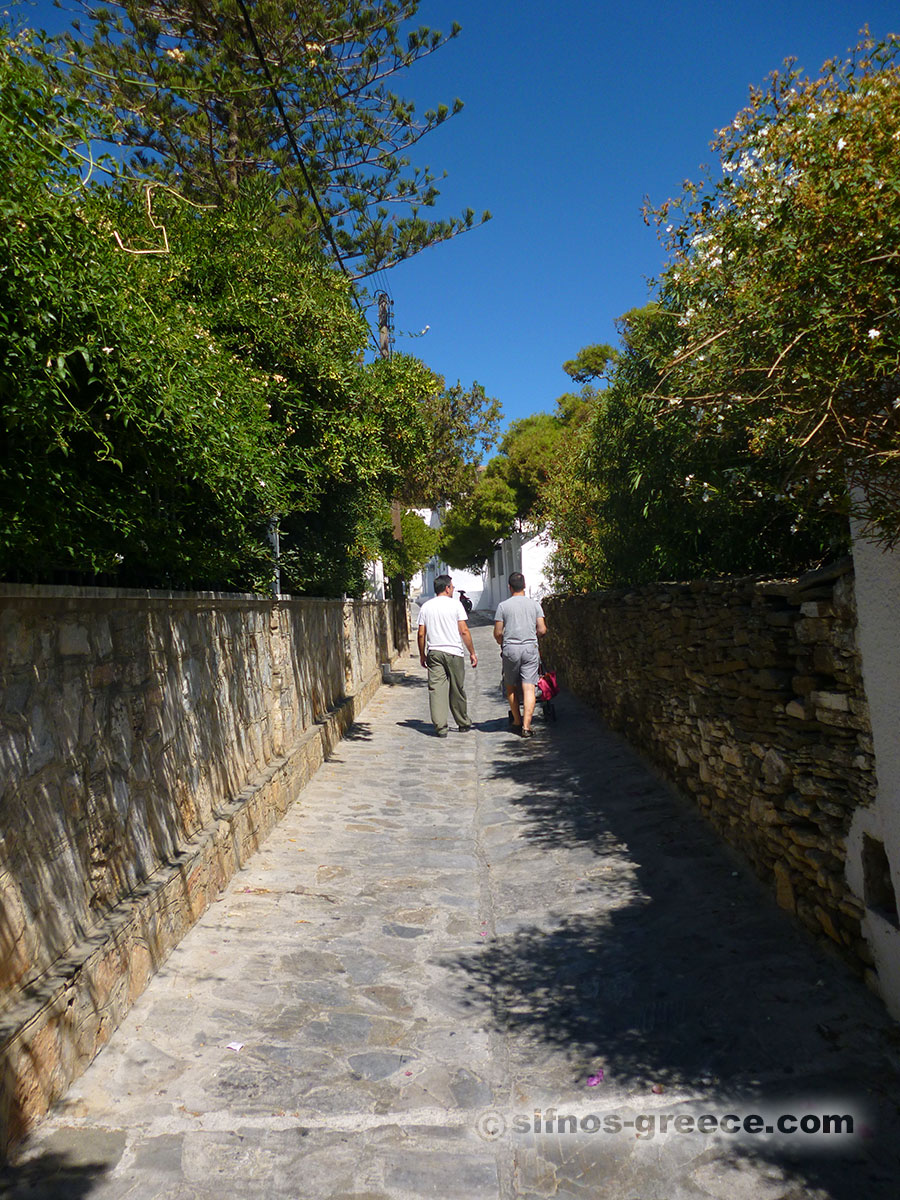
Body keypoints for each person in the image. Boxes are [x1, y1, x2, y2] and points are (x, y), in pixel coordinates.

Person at [417, 574, 478, 737]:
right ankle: (463, 722)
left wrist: (422, 654)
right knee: (457, 688)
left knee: (436, 690)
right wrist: (472, 652)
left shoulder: (426, 607)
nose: (453, 589)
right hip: (454, 652)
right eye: (452, 586)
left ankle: (440, 727)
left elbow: (422, 634)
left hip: (434, 652)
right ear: (446, 588)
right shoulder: (456, 606)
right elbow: (463, 630)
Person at [494, 571, 547, 738]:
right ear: (524, 586)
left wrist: (501, 641)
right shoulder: (535, 605)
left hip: (510, 648)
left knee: (511, 686)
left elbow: (497, 632)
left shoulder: (503, 606)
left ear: (509, 587)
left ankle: (517, 720)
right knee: (529, 687)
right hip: (529, 648)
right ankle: (526, 726)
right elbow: (542, 629)